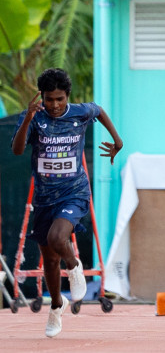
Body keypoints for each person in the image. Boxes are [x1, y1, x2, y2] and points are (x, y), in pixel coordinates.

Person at [10, 68, 124, 338]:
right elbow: (17, 149)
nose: (55, 105)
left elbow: (99, 110)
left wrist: (117, 141)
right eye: (49, 99)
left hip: (74, 191)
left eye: (59, 99)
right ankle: (56, 308)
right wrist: (27, 116)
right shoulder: (36, 118)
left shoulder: (80, 112)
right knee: (49, 260)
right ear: (43, 98)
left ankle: (75, 269)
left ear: (67, 97)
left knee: (58, 237)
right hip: (45, 197)